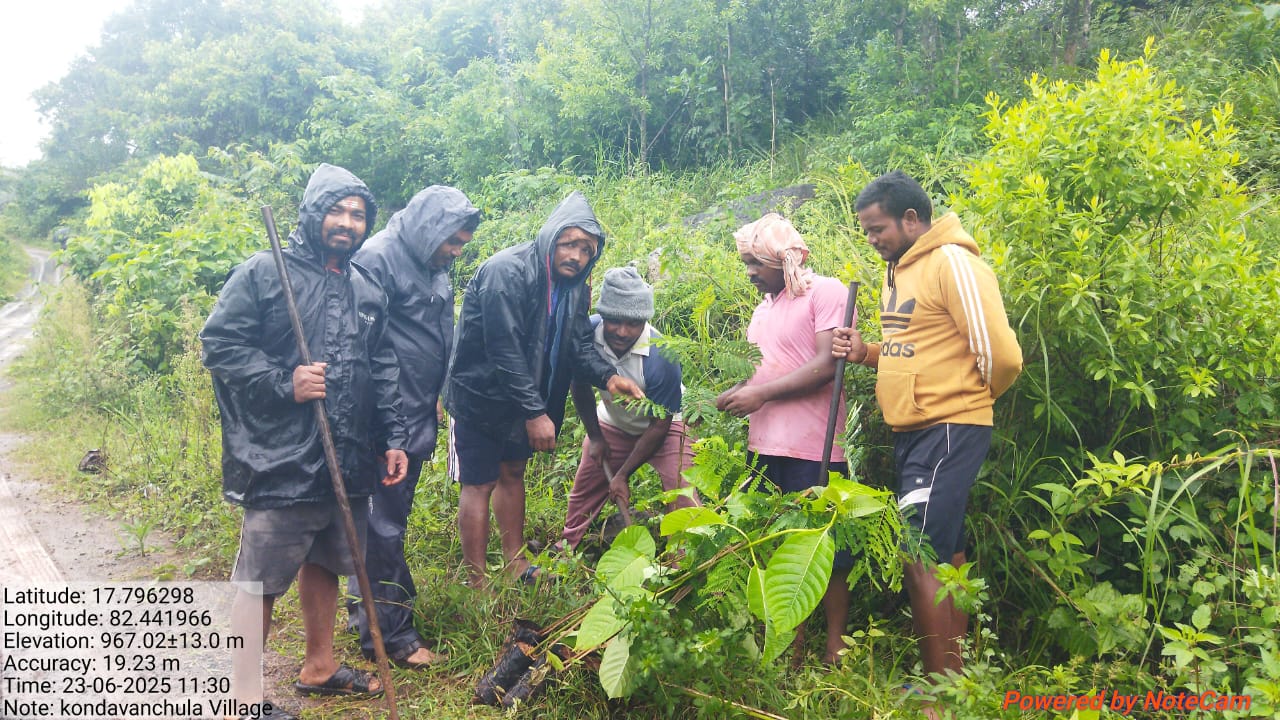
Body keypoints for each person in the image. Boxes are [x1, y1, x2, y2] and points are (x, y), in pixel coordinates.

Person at [201, 163, 408, 716]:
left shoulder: (366, 284)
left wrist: (393, 437)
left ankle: (319, 666)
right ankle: (240, 696)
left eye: (357, 214)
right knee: (260, 582)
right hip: (281, 457)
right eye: (337, 211)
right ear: (315, 213)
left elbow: (382, 364)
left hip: (350, 454)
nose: (347, 222)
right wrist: (282, 382)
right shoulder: (266, 273)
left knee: (329, 562)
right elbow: (220, 345)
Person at [831, 170, 1022, 689]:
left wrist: (967, 401)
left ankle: (937, 696)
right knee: (948, 553)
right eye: (866, 231)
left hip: (946, 430)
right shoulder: (900, 269)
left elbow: (1001, 355)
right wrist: (867, 353)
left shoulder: (953, 262)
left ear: (911, 219)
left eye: (877, 229)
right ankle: (957, 679)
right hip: (915, 433)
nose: (871, 241)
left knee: (917, 555)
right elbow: (914, 348)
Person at [443, 191, 643, 588]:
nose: (577, 256)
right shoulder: (507, 273)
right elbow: (503, 350)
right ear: (551, 238)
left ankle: (516, 564)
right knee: (479, 482)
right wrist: (536, 414)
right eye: (570, 244)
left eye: (587, 250)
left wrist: (608, 376)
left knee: (513, 471)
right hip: (481, 398)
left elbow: (577, 345)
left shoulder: (574, 287)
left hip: (525, 399)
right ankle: (477, 582)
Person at [345, 185, 480, 669]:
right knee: (383, 525)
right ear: (430, 230)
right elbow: (364, 347)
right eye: (454, 241)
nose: (457, 251)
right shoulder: (378, 259)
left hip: (417, 412)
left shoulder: (432, 262)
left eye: (462, 243)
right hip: (385, 420)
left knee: (382, 522)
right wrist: (389, 425)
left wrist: (439, 393)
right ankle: (393, 637)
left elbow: (430, 334)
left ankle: (366, 612)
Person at [714, 213, 853, 665]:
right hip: (764, 445)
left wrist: (759, 393)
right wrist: (737, 394)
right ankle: (790, 647)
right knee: (777, 546)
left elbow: (824, 365)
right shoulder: (763, 309)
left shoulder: (825, 292)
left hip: (814, 444)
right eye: (746, 263)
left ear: (782, 258)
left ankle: (834, 647)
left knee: (826, 550)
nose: (750, 272)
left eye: (756, 263)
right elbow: (766, 369)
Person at [560, 266, 700, 551]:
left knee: (682, 491)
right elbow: (580, 384)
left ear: (645, 321)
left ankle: (684, 560)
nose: (622, 332)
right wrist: (596, 438)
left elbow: (660, 425)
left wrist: (622, 474)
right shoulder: (586, 334)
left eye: (633, 323)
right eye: (614, 321)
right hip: (613, 421)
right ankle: (567, 551)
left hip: (667, 425)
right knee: (584, 491)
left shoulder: (661, 355)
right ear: (604, 315)